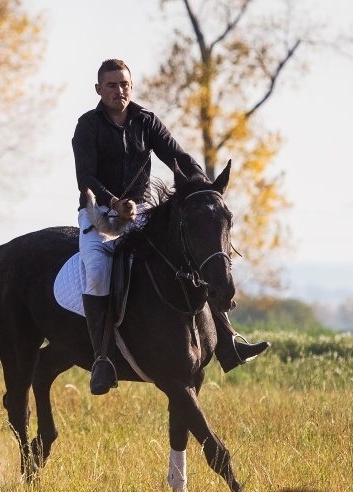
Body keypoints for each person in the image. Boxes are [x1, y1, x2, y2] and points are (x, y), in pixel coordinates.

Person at [72, 58, 269, 395]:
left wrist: (203, 188)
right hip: (99, 213)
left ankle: (227, 340)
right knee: (95, 269)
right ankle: (102, 358)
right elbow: (85, 176)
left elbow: (178, 157)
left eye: (124, 84)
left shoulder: (146, 121)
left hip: (143, 211)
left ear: (131, 87)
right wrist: (115, 201)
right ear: (98, 90)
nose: (119, 91)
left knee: (191, 256)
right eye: (111, 85)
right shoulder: (87, 126)